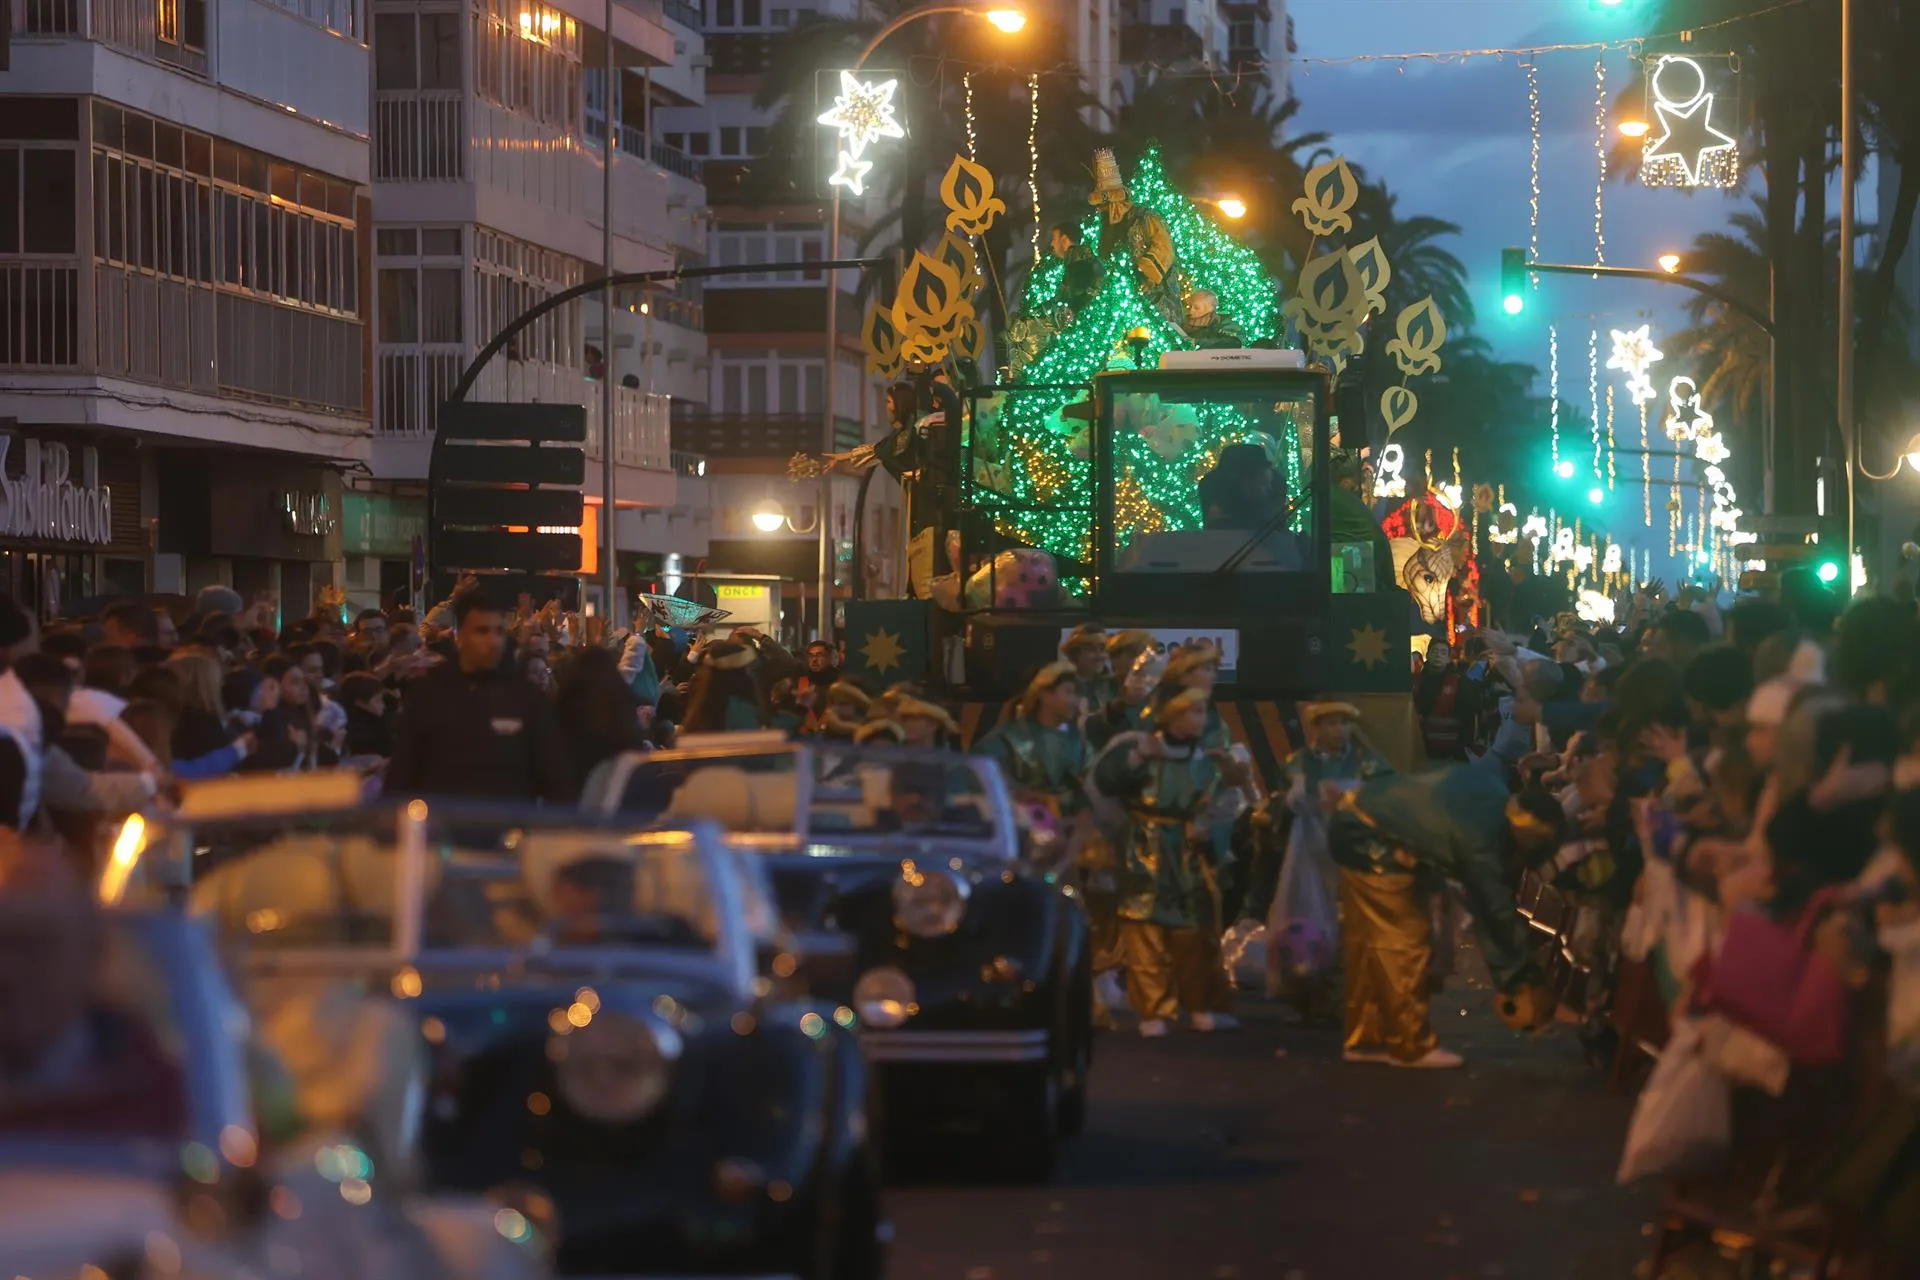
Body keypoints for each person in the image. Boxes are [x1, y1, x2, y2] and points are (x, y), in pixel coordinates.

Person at [1328, 764, 1553, 1068]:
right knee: (1405, 942)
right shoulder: (1483, 840)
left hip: (1357, 820)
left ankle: (1367, 1038)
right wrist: (1519, 976)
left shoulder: (1492, 788)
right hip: (1373, 840)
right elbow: (1493, 909)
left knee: (1369, 943)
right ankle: (1410, 1045)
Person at [0, 835, 188, 1138]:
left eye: (34, 946)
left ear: (91, 954)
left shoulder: (162, 1098)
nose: (8, 970)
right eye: (3, 944)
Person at [1094, 687, 1236, 1037]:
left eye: (1203, 711)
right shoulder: (1143, 750)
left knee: (1193, 931)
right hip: (1145, 847)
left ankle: (1199, 1005)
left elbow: (1219, 804)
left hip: (1187, 851)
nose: (1202, 719)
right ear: (1173, 716)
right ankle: (1153, 1010)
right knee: (1144, 929)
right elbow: (1106, 782)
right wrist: (1136, 756)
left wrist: (1208, 829)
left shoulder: (1204, 761)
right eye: (1195, 711)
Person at [385, 590, 573, 803]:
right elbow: (402, 774)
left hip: (508, 819)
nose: (492, 641)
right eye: (482, 631)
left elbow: (555, 780)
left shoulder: (527, 700)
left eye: (498, 631)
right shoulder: (429, 695)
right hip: (444, 818)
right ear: (460, 636)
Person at [973, 662, 1088, 820]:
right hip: (1025, 820)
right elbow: (980, 768)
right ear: (1045, 695)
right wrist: (1025, 796)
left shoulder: (1078, 738)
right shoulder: (1011, 737)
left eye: (1077, 695)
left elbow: (1092, 780)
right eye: (1069, 692)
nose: (1076, 701)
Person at [1060, 625, 1112, 712]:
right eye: (1091, 650)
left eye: (1103, 650)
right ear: (1075, 654)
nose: (1099, 656)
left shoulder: (1113, 685)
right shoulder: (1064, 687)